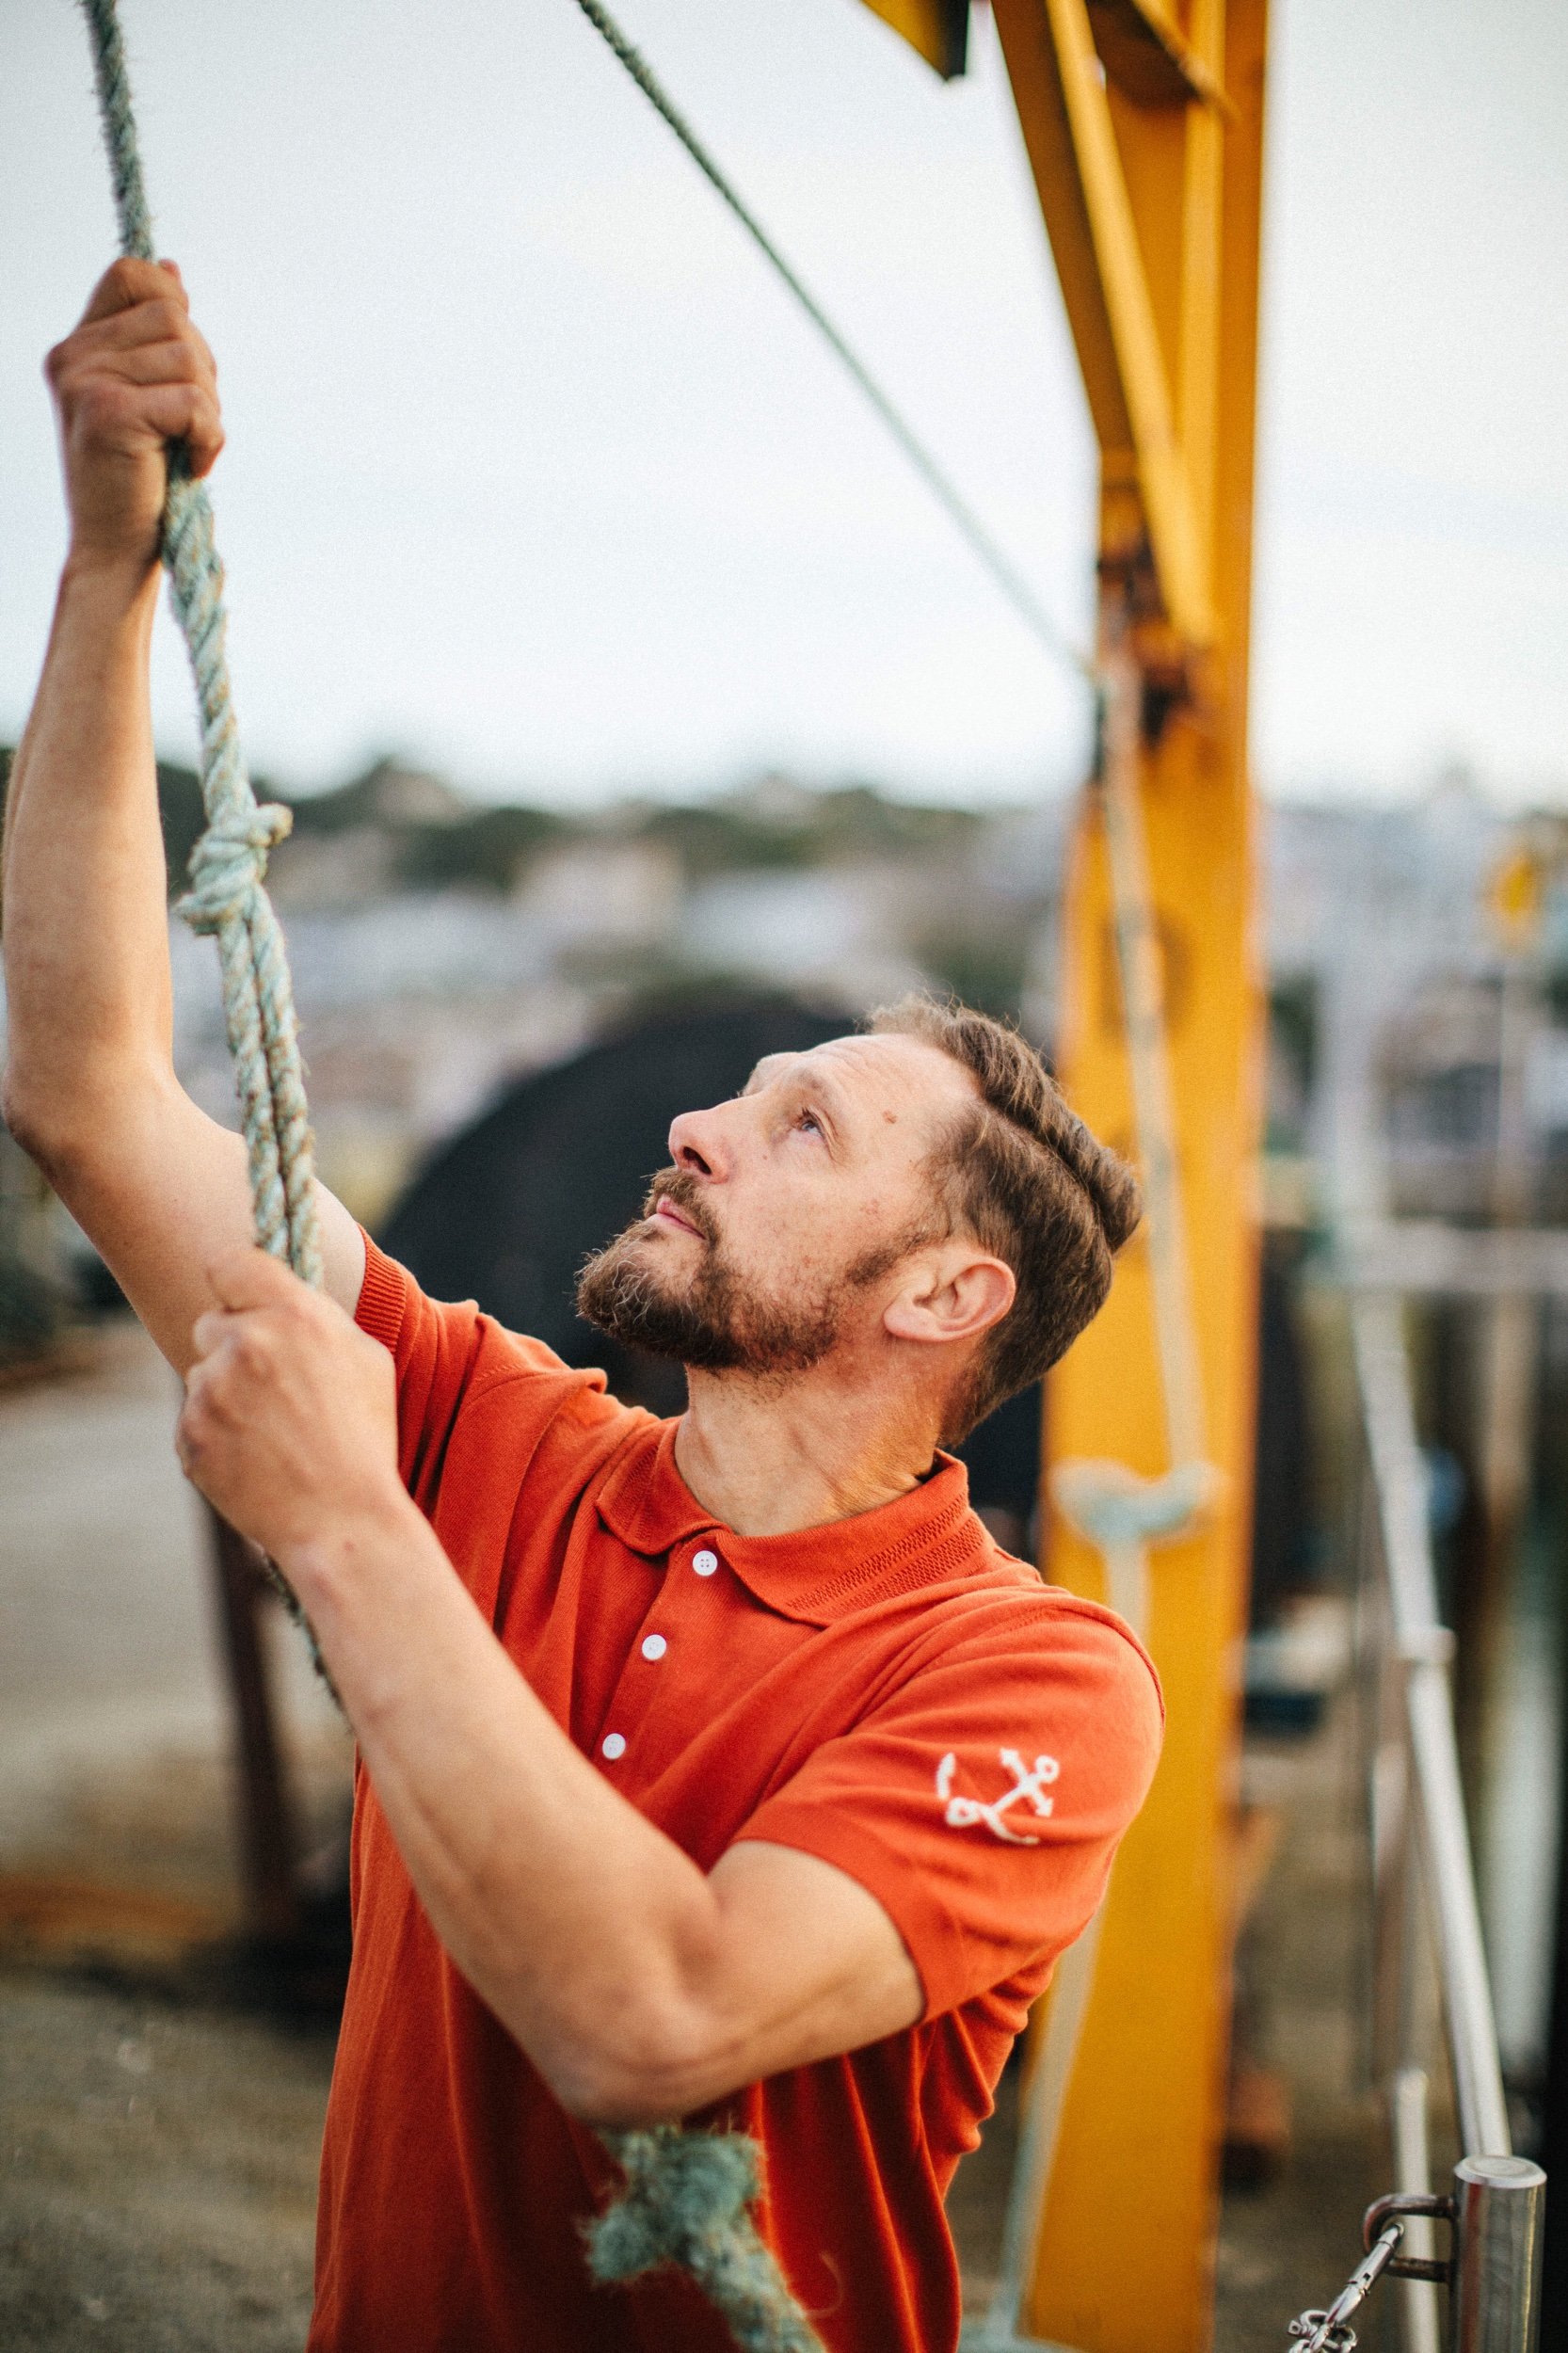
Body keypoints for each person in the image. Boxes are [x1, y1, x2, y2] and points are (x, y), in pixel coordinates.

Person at [1, 259, 1163, 2353]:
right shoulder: (485, 1427)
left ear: (946, 1290)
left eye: (801, 1126)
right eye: (740, 1092)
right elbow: (86, 1091)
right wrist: (105, 574)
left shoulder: (1034, 1680)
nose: (703, 1122)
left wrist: (344, 1522)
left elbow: (660, 2014)